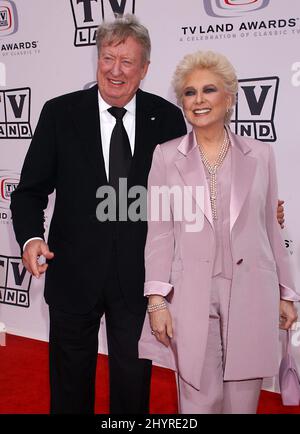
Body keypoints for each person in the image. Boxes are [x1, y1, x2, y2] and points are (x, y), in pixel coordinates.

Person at [10, 15, 187, 414]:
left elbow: (187, 194)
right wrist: (31, 238)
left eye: (127, 62)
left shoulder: (168, 119)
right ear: (97, 59)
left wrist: (253, 209)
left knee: (132, 389)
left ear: (145, 69)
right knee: (69, 388)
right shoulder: (59, 114)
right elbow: (29, 192)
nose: (115, 70)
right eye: (108, 57)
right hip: (72, 274)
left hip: (140, 278)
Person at [138, 50, 299, 414]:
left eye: (208, 90)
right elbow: (160, 232)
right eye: (190, 93)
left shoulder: (260, 154)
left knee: (243, 401)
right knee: (197, 399)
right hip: (192, 290)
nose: (198, 101)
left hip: (251, 288)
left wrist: (285, 292)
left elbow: (270, 229)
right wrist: (157, 299)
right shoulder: (165, 156)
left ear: (229, 97)